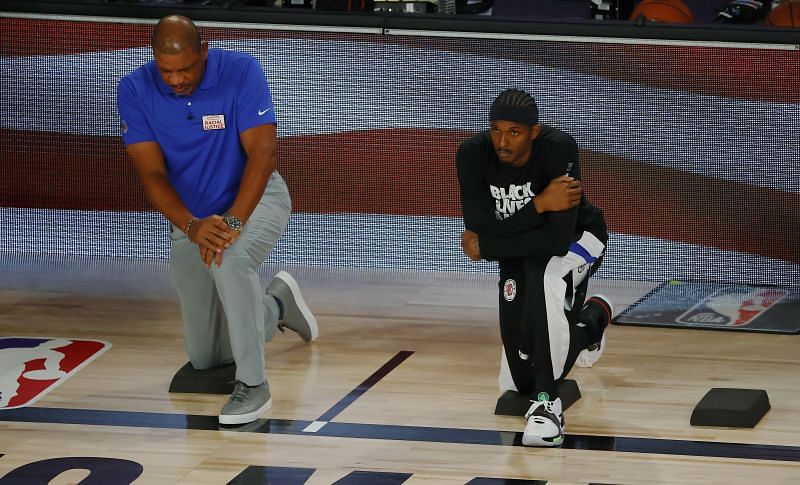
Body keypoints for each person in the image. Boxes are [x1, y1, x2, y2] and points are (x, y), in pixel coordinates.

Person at [117, 15, 318, 426]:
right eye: (166, 70)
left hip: (255, 201)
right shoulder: (134, 89)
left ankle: (254, 386)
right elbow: (151, 173)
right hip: (191, 220)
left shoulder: (241, 71)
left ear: (203, 52)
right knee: (207, 358)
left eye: (185, 69)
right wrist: (191, 226)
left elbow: (263, 154)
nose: (175, 80)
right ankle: (277, 304)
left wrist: (233, 225)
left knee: (231, 260)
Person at [455, 89, 613, 447]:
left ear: (534, 132)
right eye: (495, 130)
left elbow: (556, 241)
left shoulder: (559, 149)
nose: (502, 141)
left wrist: (489, 243)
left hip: (580, 238)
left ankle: (547, 406)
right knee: (518, 379)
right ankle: (593, 322)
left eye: (514, 132)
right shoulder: (471, 155)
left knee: (544, 278)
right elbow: (480, 235)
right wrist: (539, 204)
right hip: (524, 248)